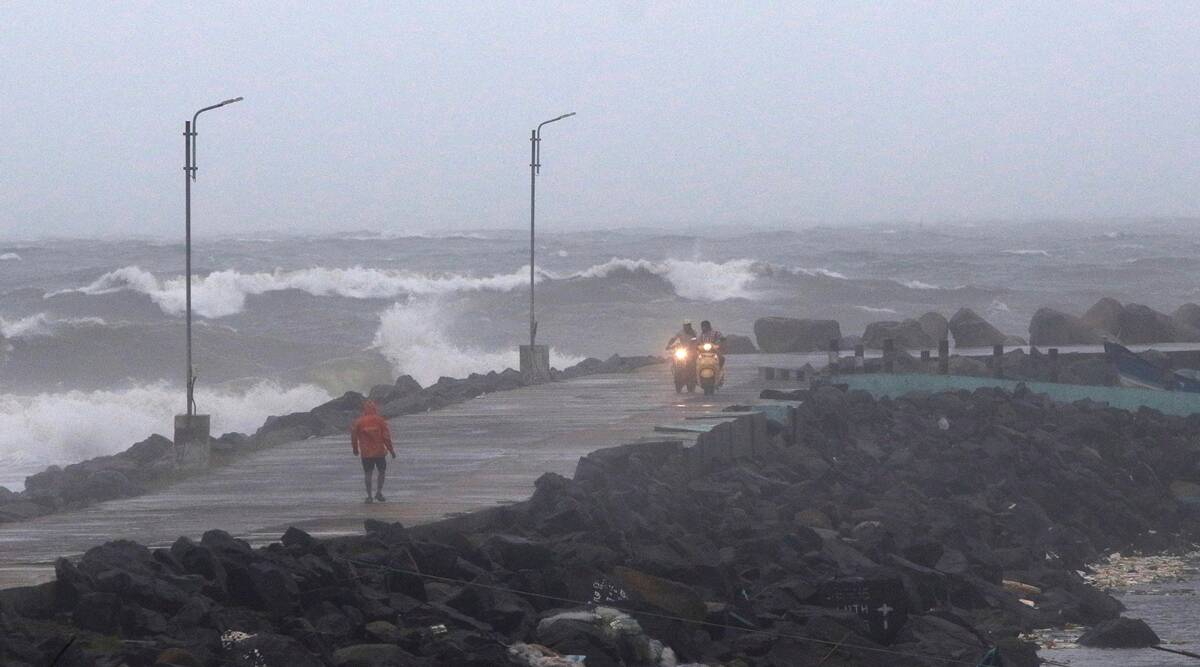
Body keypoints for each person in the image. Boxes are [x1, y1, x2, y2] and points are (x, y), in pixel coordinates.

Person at [351, 400, 395, 503]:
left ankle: (369, 496)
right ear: (375, 409)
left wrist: (355, 449)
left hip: (366, 453)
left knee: (368, 474)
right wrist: (391, 450)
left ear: (364, 410)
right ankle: (379, 492)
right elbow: (386, 437)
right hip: (379, 452)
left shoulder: (359, 422)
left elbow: (353, 437)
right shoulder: (380, 421)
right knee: (382, 472)